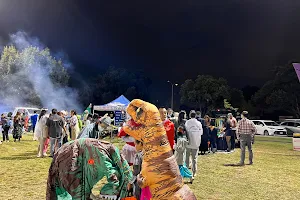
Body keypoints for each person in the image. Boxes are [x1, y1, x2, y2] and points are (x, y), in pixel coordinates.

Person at [185, 110, 203, 180]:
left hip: (188, 142)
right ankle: (194, 172)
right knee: (194, 158)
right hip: (196, 143)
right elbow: (201, 132)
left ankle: (186, 171)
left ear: (190, 115)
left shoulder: (187, 122)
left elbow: (185, 132)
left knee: (187, 158)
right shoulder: (198, 123)